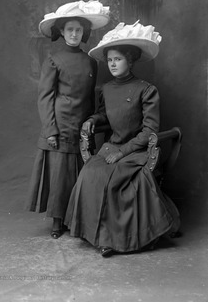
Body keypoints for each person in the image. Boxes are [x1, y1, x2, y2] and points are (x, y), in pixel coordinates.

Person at [64, 21, 180, 257]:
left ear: (130, 60)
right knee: (90, 173)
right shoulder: (106, 89)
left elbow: (149, 131)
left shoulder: (146, 90)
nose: (113, 64)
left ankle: (115, 240)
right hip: (111, 147)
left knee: (116, 178)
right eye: (109, 60)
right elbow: (106, 116)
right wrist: (93, 120)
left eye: (118, 59)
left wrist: (123, 151)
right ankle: (95, 234)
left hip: (136, 150)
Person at [26, 0, 110, 239]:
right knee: (61, 176)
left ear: (84, 33)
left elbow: (89, 100)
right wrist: (50, 130)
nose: (74, 34)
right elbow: (45, 97)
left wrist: (92, 124)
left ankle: (77, 218)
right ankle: (57, 221)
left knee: (81, 175)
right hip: (60, 126)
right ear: (62, 32)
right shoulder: (53, 59)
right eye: (70, 29)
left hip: (82, 127)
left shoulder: (91, 61)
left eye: (79, 30)